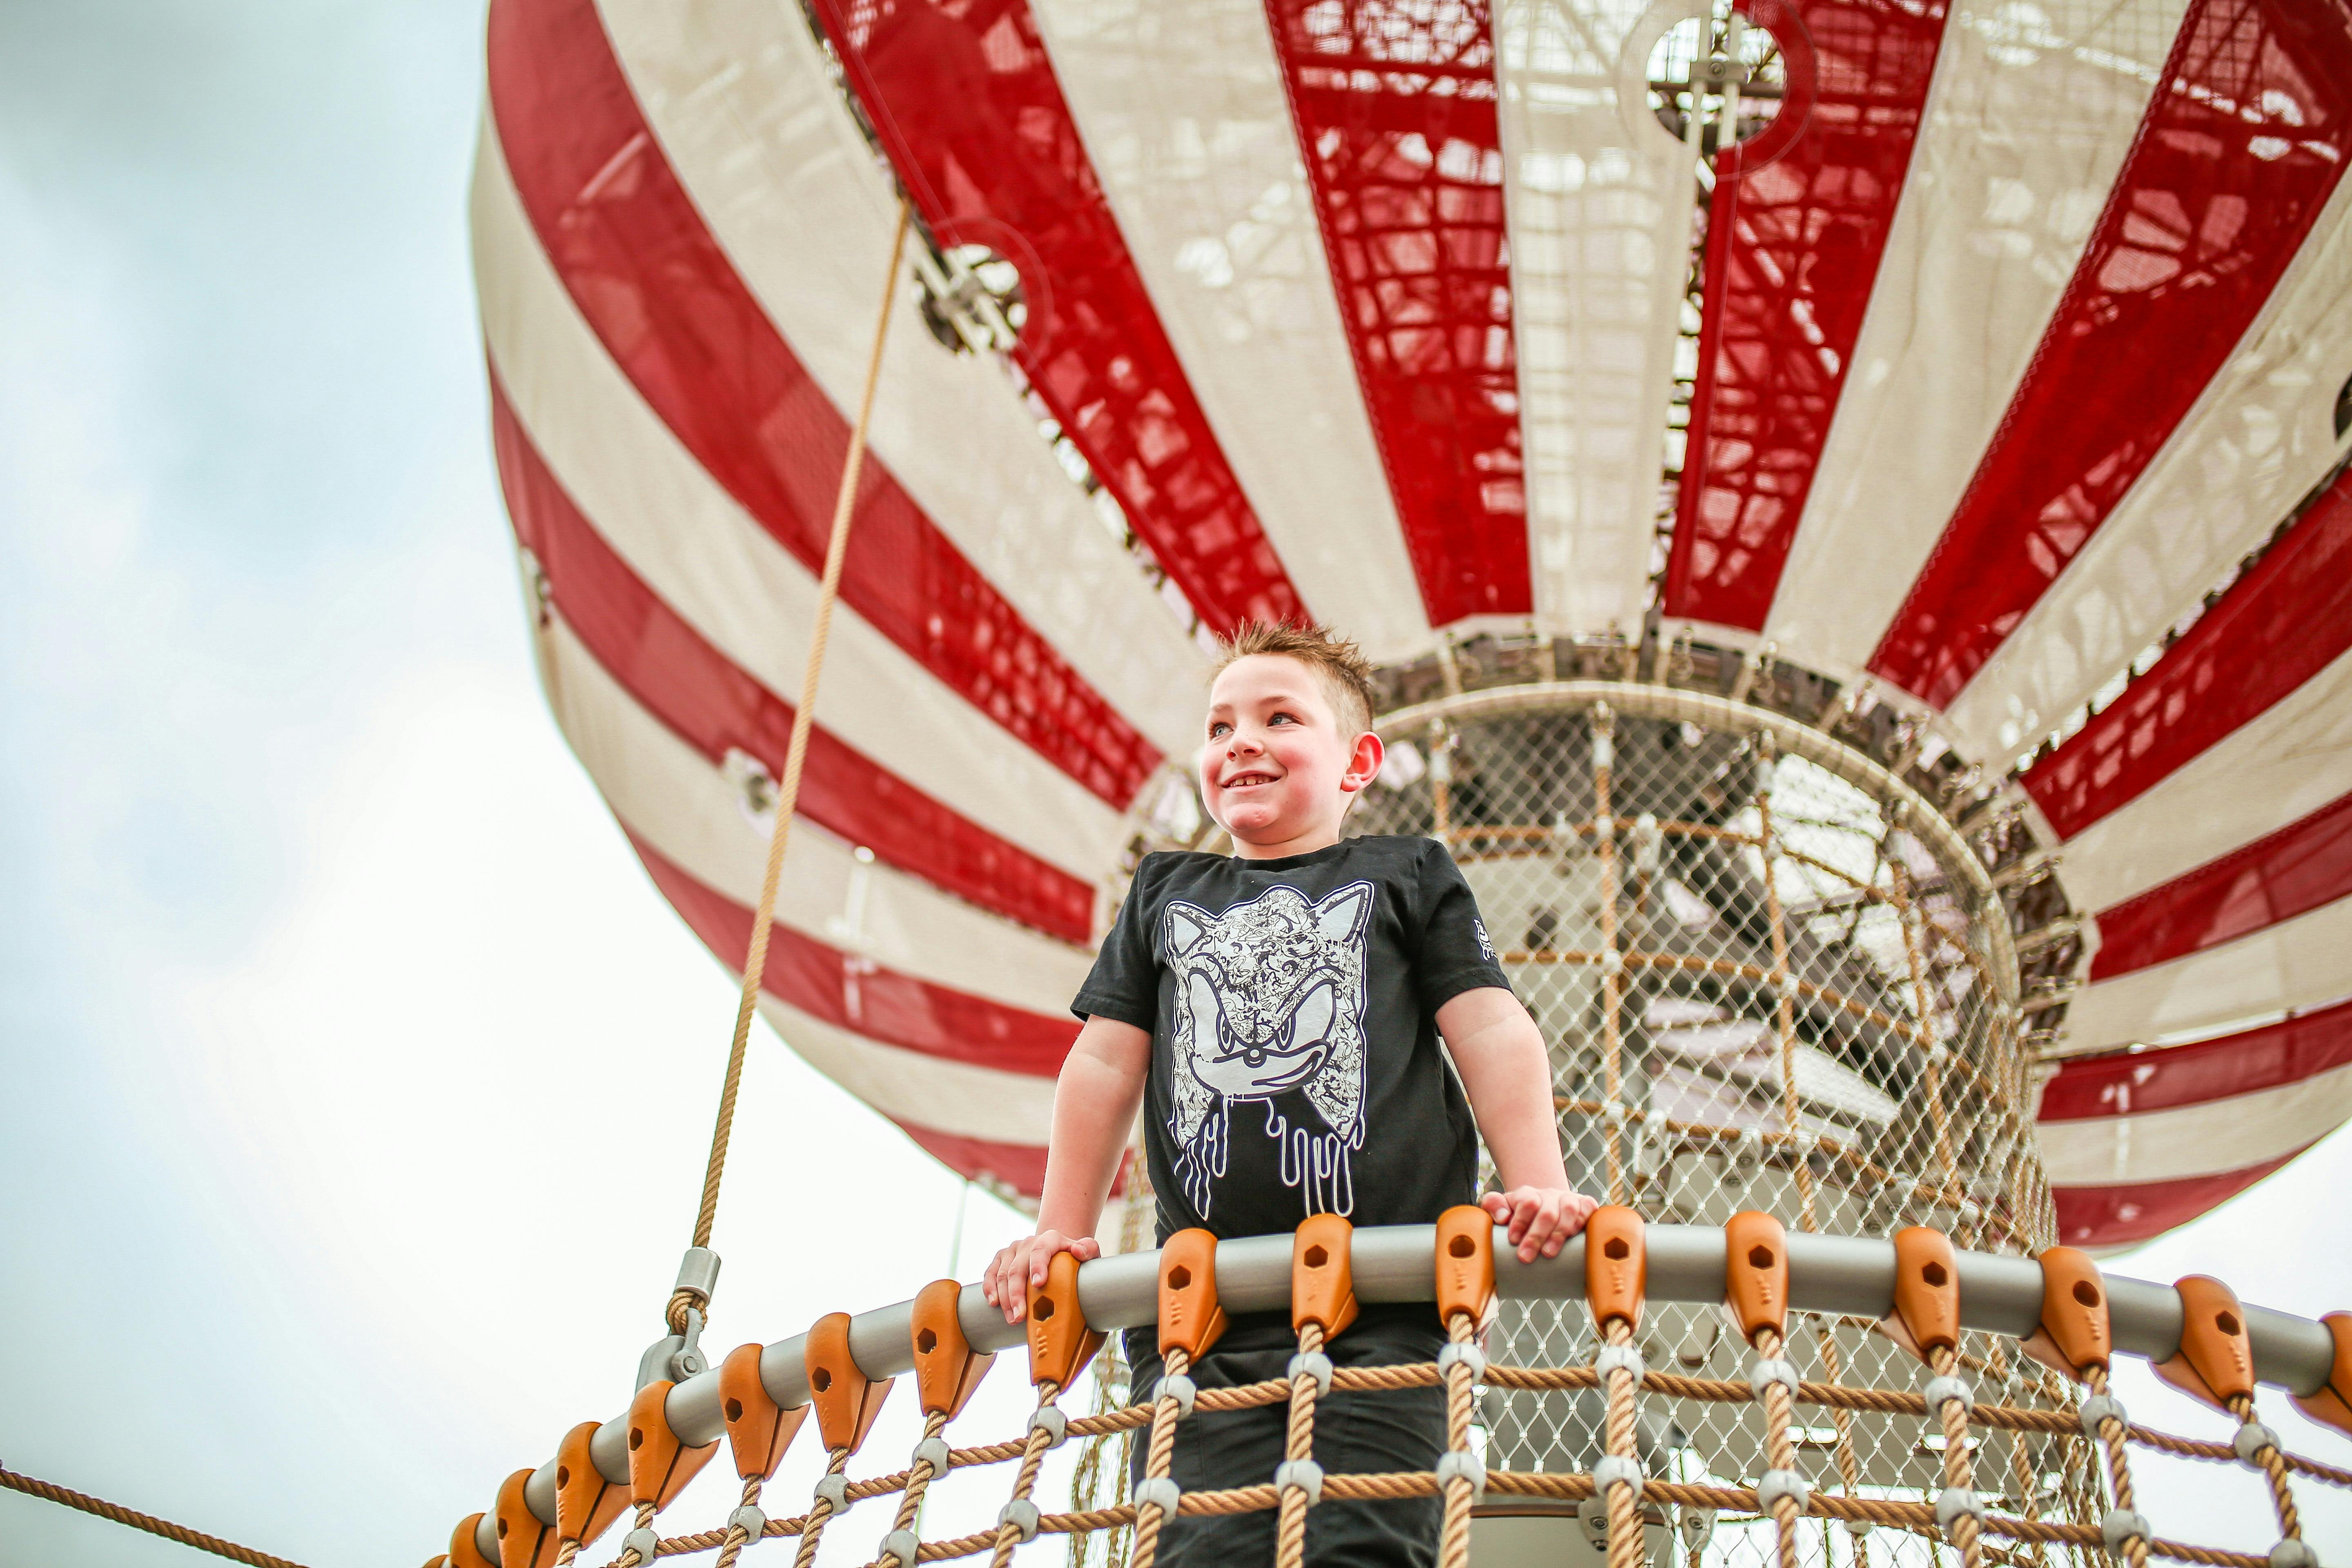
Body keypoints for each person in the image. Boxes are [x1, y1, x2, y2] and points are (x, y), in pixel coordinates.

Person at [981, 620, 1594, 1567]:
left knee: (1368, 1542)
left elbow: (1490, 1027)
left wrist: (1540, 1180)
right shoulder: (1163, 892)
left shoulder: (1406, 874)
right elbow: (1106, 1063)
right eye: (1221, 727)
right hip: (1203, 1311)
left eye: (1279, 719)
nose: (1243, 743)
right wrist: (1062, 1224)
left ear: (1359, 762)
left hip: (1388, 1301)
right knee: (1199, 1549)